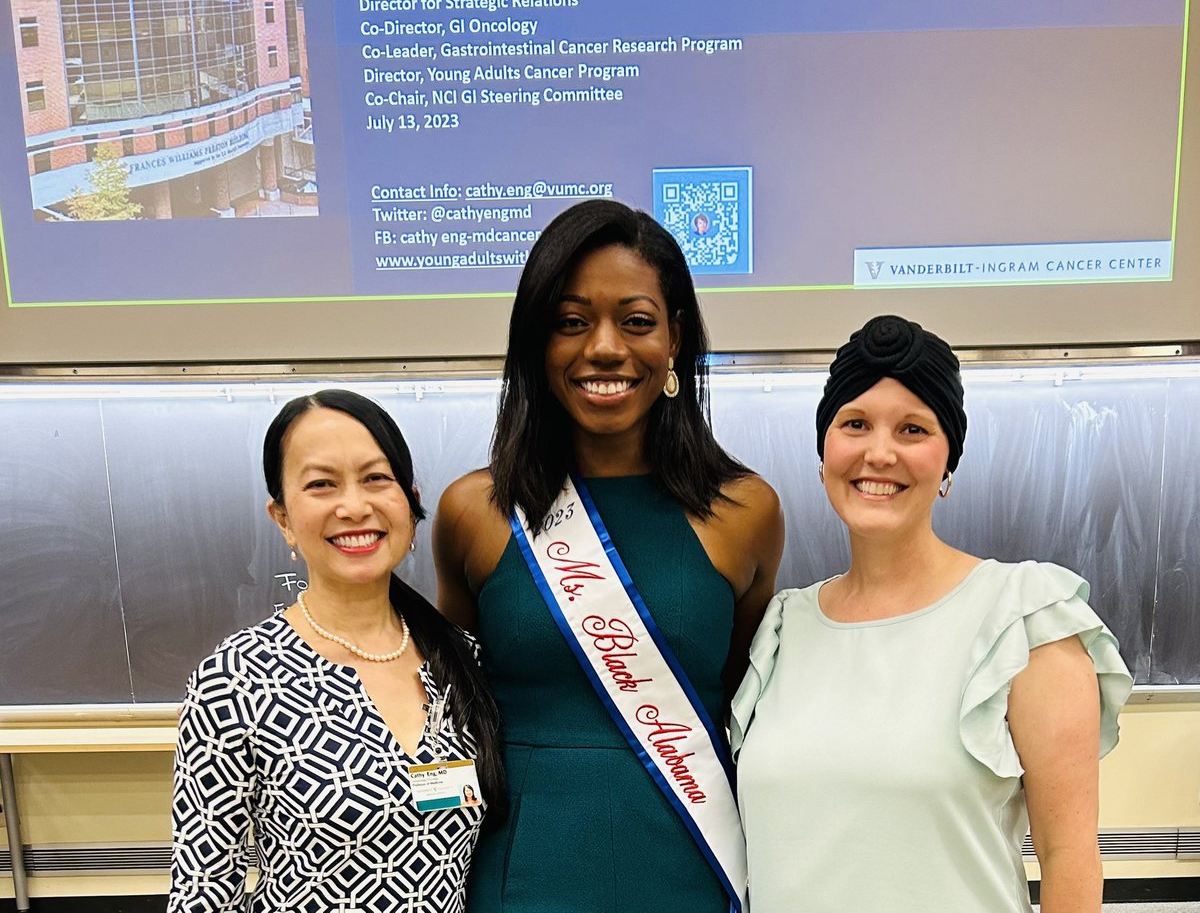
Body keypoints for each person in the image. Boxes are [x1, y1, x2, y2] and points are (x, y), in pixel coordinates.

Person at [434, 199, 785, 913]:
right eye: (570, 322)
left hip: (692, 863)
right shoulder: (473, 512)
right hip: (522, 874)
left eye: (636, 321)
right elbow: (451, 710)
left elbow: (747, 707)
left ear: (675, 339)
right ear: (537, 342)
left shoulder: (746, 511)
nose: (603, 348)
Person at [732, 315, 1133, 912]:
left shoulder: (1026, 616)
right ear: (824, 452)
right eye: (856, 423)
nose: (880, 452)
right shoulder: (782, 630)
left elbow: (1069, 856)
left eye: (913, 429)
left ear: (948, 464)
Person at [169, 389, 505, 913]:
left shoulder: (462, 659)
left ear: (411, 502)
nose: (353, 506)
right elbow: (202, 892)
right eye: (321, 484)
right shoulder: (234, 681)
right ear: (282, 518)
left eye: (376, 479)